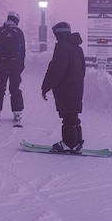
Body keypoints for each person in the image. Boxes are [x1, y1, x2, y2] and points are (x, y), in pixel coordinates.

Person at [41, 22, 85, 153]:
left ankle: (69, 144)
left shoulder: (62, 47)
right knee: (73, 115)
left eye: (55, 34)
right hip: (77, 86)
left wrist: (45, 87)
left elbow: (56, 70)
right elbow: (83, 68)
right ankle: (76, 142)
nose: (55, 37)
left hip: (66, 88)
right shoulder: (77, 48)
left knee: (67, 116)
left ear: (59, 33)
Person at [0, 11, 26, 126]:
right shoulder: (19, 32)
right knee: (15, 88)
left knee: (0, 87)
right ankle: (17, 114)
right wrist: (21, 65)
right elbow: (22, 50)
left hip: (2, 63)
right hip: (15, 64)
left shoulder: (0, 31)